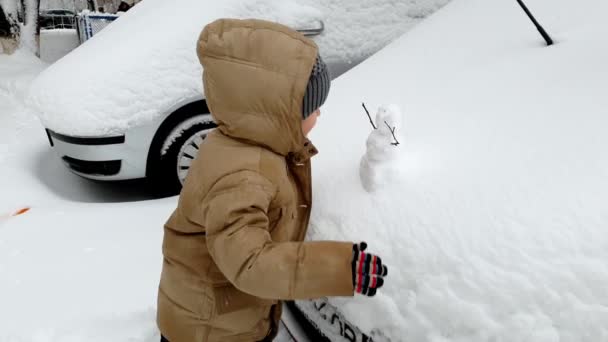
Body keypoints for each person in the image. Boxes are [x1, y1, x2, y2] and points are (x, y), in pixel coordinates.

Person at [156, 18, 388, 342]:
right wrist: (337, 268)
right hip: (211, 330)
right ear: (281, 112)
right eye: (313, 107)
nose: (319, 115)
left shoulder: (242, 144)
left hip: (214, 314)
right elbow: (250, 262)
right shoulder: (242, 177)